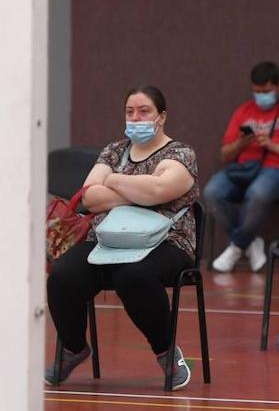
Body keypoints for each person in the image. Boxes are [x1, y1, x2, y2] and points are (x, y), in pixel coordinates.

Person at [45, 86, 200, 389]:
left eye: (144, 111)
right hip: (107, 240)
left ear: (161, 117)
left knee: (133, 275)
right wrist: (143, 192)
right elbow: (90, 197)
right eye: (130, 112)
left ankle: (166, 352)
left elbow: (160, 190)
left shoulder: (181, 153)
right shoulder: (114, 150)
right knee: (63, 275)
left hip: (167, 242)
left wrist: (114, 180)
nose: (136, 117)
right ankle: (74, 348)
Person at [206, 61, 279, 272]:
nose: (261, 96)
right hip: (244, 169)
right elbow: (224, 154)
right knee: (212, 191)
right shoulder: (244, 111)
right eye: (256, 92)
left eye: (265, 91)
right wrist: (241, 143)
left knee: (258, 192)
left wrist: (273, 145)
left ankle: (236, 246)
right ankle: (249, 241)